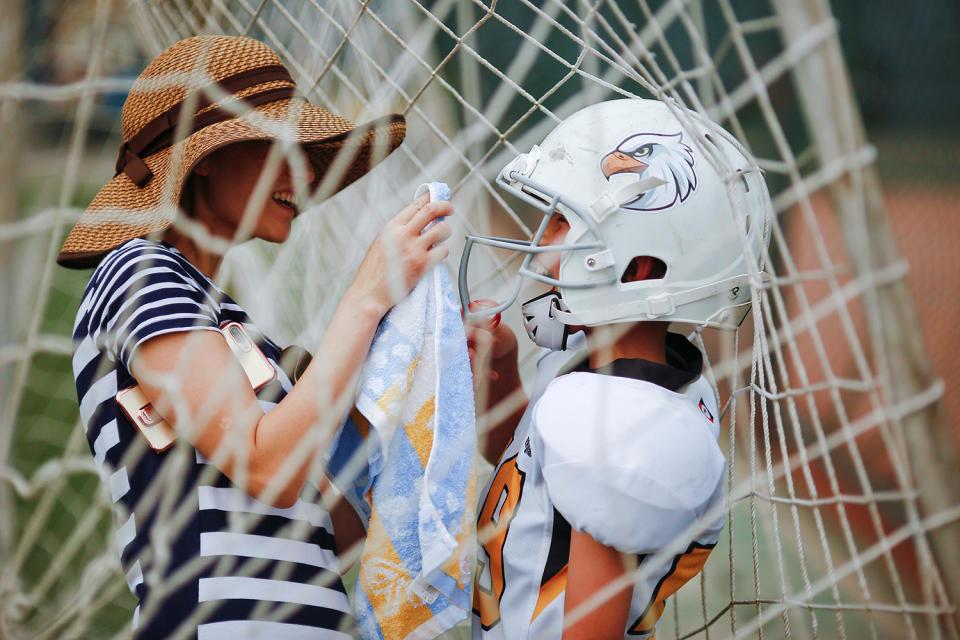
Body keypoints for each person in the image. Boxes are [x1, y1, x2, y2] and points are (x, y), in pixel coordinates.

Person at [58, 36, 452, 639]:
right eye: (282, 145)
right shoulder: (137, 271)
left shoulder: (234, 329)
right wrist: (368, 296)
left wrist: (410, 371)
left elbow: (332, 532)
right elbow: (267, 468)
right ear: (204, 156)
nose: (306, 172)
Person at [460, 98, 771, 639]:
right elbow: (527, 464)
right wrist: (501, 370)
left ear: (640, 263)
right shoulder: (593, 370)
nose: (538, 244)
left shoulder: (624, 426)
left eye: (561, 222)